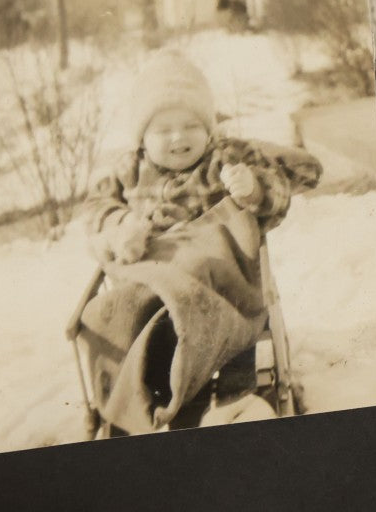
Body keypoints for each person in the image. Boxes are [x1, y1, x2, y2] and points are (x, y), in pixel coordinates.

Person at [81, 49, 318, 429]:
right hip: (149, 290)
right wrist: (122, 225)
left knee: (203, 274)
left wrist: (253, 188)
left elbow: (281, 184)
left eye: (191, 125)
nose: (179, 137)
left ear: (208, 128)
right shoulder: (128, 171)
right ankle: (138, 403)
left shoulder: (223, 159)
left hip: (217, 288)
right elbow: (95, 209)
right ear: (142, 137)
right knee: (108, 314)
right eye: (163, 129)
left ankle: (231, 398)